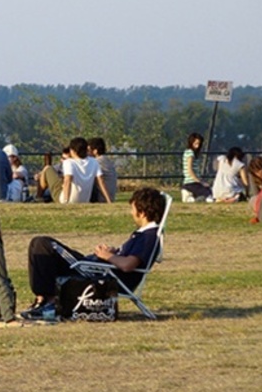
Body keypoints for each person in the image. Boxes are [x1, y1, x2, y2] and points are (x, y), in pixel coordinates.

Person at [20, 187, 166, 320]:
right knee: (38, 244)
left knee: (44, 244)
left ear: (142, 212)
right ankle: (43, 299)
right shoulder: (144, 235)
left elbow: (128, 265)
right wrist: (113, 253)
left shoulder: (148, 237)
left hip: (100, 274)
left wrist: (107, 256)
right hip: (98, 269)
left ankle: (48, 300)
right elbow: (127, 259)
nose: (131, 213)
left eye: (133, 209)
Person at [37, 137, 112, 204]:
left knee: (47, 169)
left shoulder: (69, 162)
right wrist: (109, 201)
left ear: (72, 151)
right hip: (85, 200)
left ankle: (38, 197)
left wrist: (65, 200)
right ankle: (40, 197)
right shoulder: (94, 162)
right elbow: (101, 181)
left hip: (68, 199)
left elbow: (67, 181)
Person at [181, 132, 213, 202]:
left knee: (206, 191)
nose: (197, 146)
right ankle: (190, 197)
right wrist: (200, 181)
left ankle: (191, 196)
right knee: (209, 193)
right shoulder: (190, 153)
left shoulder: (188, 152)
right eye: (196, 144)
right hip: (191, 182)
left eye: (199, 144)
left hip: (189, 182)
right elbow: (190, 170)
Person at [88, 137, 117, 203]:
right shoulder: (107, 161)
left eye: (88, 150)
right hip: (111, 196)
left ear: (95, 151)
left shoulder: (96, 162)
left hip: (101, 198)